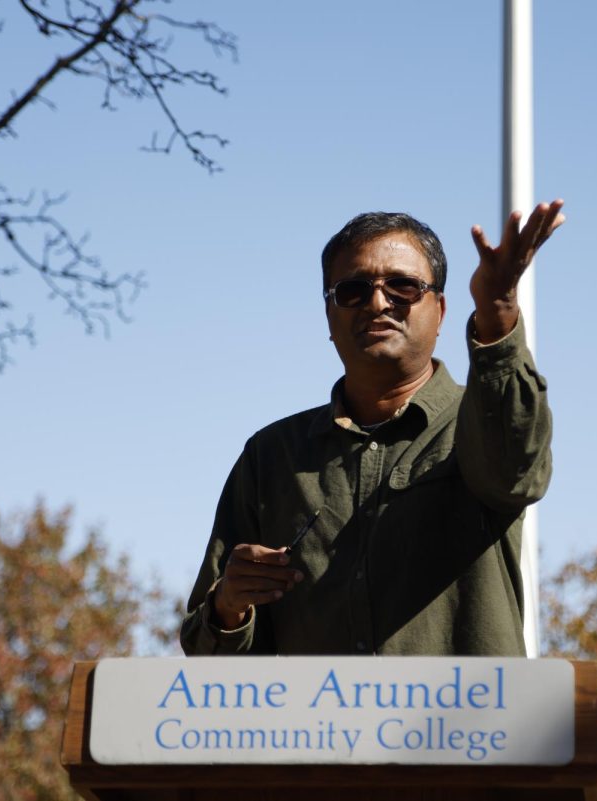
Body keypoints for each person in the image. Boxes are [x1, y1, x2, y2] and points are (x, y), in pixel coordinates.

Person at [180, 201, 565, 656]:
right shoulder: (272, 455)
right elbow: (210, 659)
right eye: (353, 291)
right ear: (329, 317)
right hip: (314, 727)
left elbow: (520, 475)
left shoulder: (481, 421)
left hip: (464, 724)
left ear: (439, 311)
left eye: (403, 287)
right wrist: (229, 607)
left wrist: (498, 311)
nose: (378, 302)